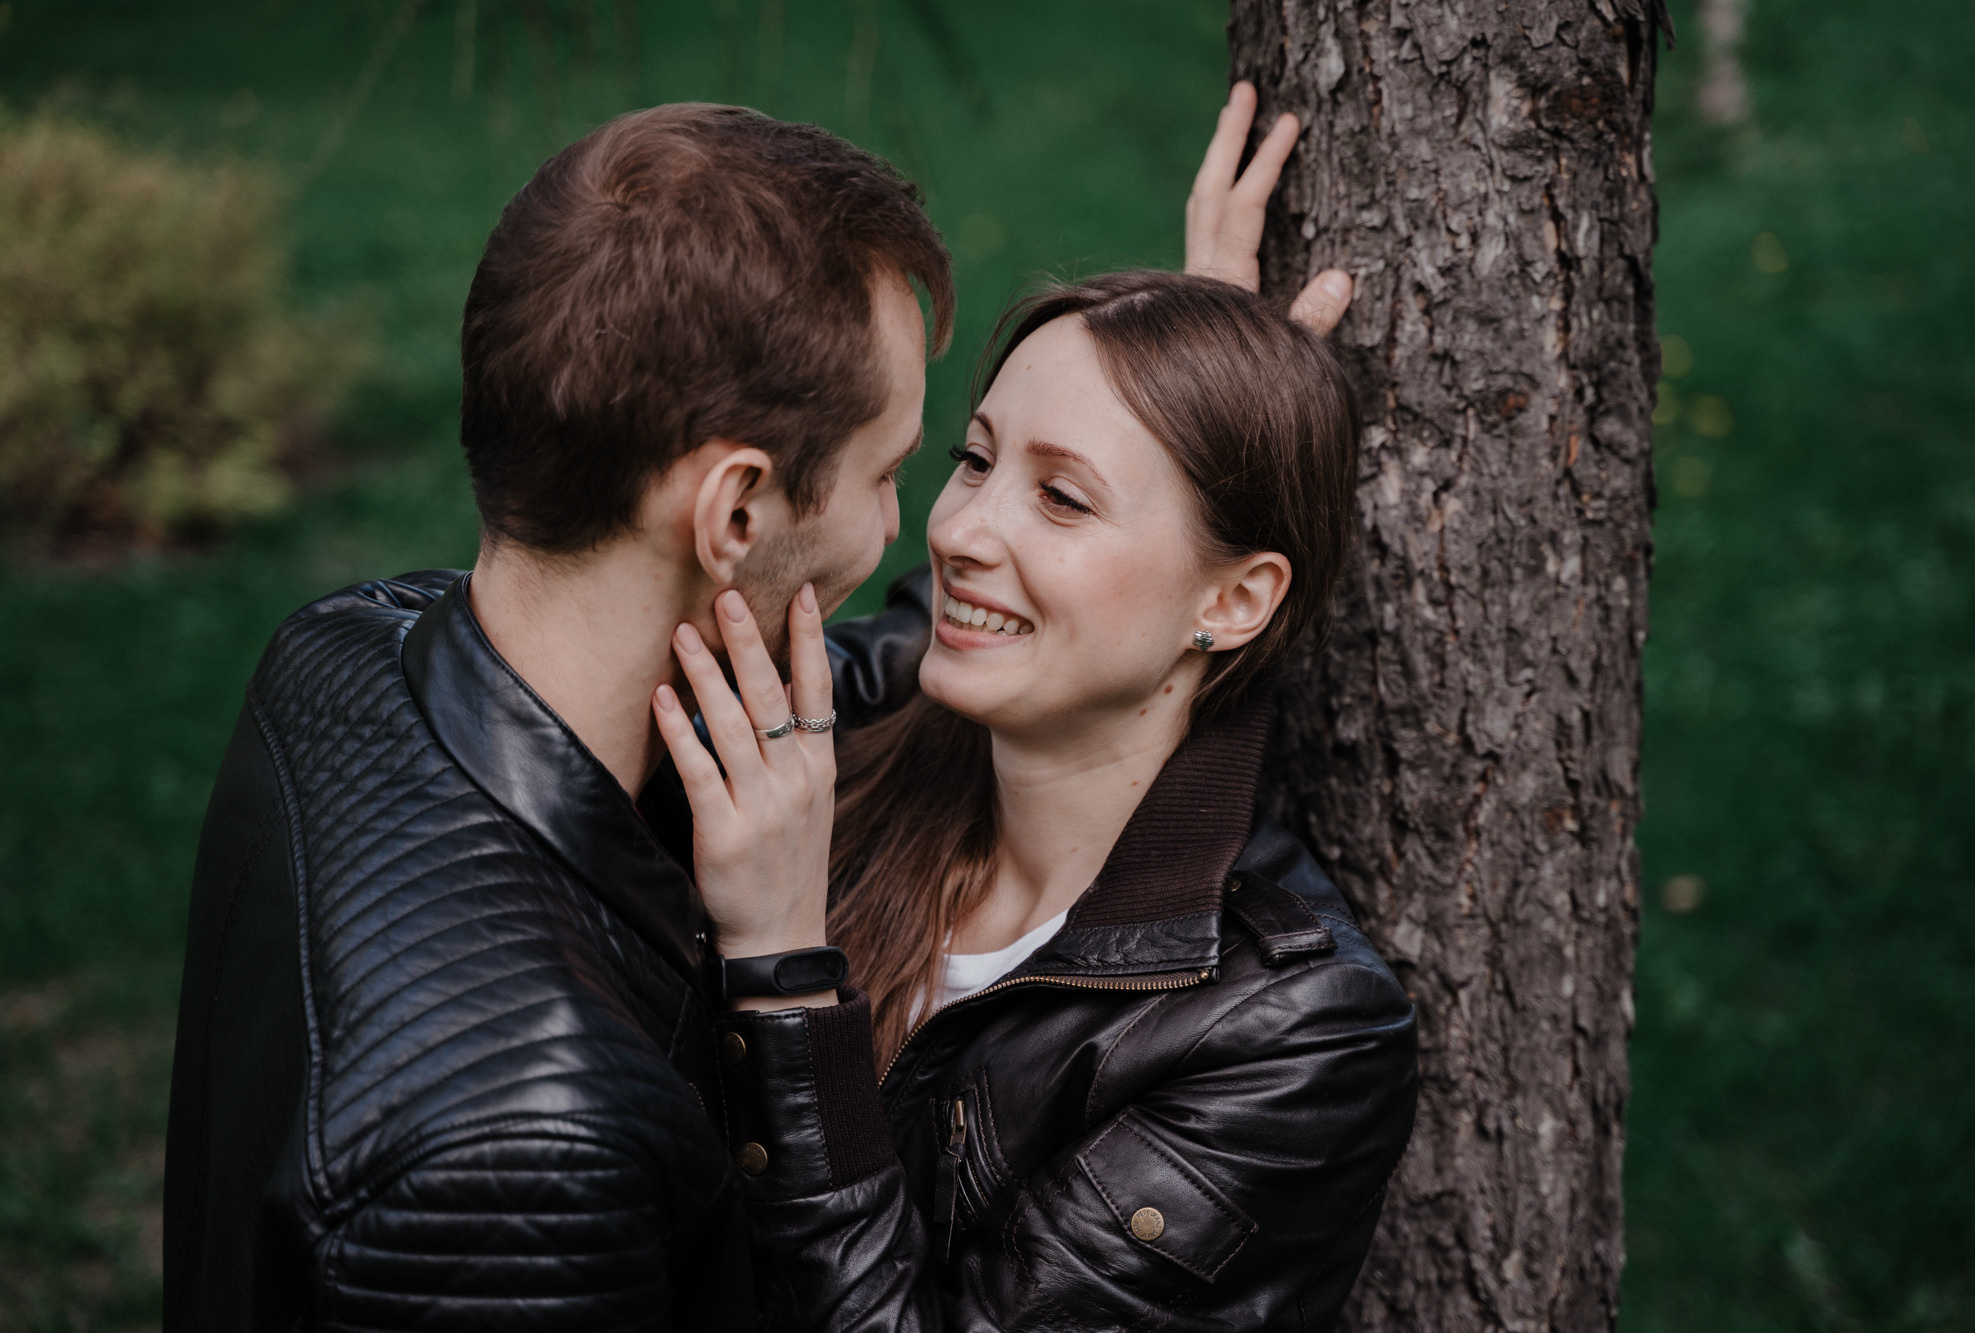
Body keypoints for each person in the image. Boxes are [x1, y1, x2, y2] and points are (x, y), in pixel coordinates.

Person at [161, 85, 1346, 1328]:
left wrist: (1204, 426)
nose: (926, 529)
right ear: (733, 514)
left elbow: (919, 658)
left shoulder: (341, 654)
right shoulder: (526, 1151)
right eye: (908, 468)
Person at [659, 180, 1413, 1333]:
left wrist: (780, 970)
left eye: (1060, 496)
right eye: (973, 458)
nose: (958, 528)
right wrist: (1209, 384)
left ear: (1234, 596)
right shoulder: (858, 735)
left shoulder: (1292, 1037)